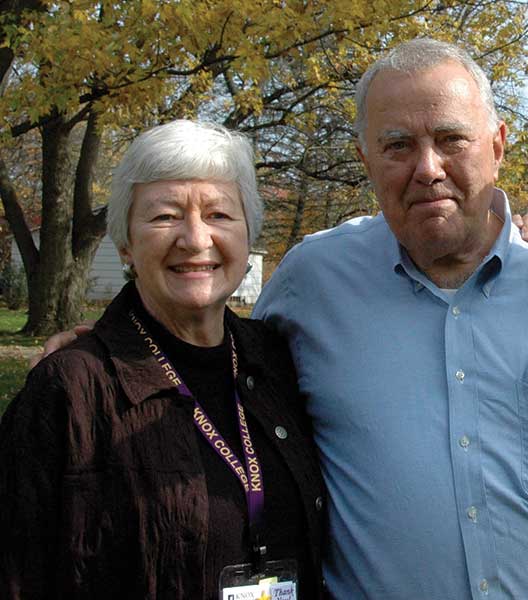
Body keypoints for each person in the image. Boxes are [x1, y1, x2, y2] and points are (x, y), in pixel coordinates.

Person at [253, 38, 528, 598]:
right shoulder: (312, 282)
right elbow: (220, 380)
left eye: (451, 139)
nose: (427, 169)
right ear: (366, 159)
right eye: (397, 145)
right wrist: (112, 347)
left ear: (498, 145)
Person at [0, 120, 326, 599]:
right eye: (165, 217)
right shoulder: (71, 388)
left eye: (219, 215)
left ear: (247, 233)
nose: (195, 240)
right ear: (126, 243)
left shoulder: (278, 360)